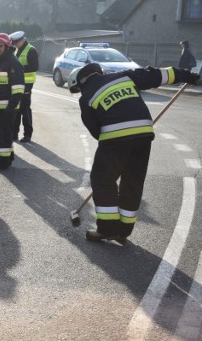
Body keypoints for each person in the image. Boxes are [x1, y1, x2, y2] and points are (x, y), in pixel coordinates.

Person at [67, 63, 200, 243]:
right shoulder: (123, 76)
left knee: (102, 180)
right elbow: (156, 75)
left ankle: (107, 229)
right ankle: (124, 231)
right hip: (144, 134)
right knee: (132, 182)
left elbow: (95, 130)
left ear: (80, 83)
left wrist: (114, 152)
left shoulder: (86, 98)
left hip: (115, 138)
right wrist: (188, 76)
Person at [0, 33, 24, 171]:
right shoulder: (0, 61)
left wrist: (11, 106)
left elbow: (18, 88)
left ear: (7, 47)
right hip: (0, 105)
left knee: (2, 133)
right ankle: (7, 157)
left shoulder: (12, 63)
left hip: (8, 106)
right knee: (5, 133)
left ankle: (2, 162)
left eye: (0, 46)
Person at [9, 31, 38, 142]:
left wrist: (18, 68)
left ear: (22, 40)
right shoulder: (18, 50)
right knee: (16, 108)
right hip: (17, 83)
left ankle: (27, 134)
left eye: (16, 43)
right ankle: (14, 133)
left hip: (27, 83)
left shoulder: (31, 50)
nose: (15, 45)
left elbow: (35, 66)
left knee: (25, 109)